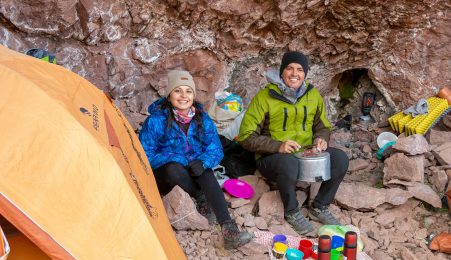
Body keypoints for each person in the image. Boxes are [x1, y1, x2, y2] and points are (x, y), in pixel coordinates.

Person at [238, 51, 349, 235]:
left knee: (340, 159)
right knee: (289, 162)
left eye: (299, 69)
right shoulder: (264, 97)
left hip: (305, 154)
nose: (294, 73)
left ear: (305, 73)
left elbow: (323, 126)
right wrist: (277, 146)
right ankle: (292, 211)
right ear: (282, 72)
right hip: (272, 158)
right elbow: (245, 136)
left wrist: (321, 138)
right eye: (289, 68)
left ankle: (320, 205)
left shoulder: (312, 95)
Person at [139, 70, 252, 249]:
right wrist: (178, 158)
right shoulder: (156, 120)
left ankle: (229, 230)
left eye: (188, 91)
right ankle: (201, 198)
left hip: (193, 169)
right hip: (166, 174)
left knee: (205, 171)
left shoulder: (203, 118)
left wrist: (204, 162)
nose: (183, 96)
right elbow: (144, 154)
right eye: (178, 91)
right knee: (173, 168)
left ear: (193, 95)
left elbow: (215, 148)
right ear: (169, 95)